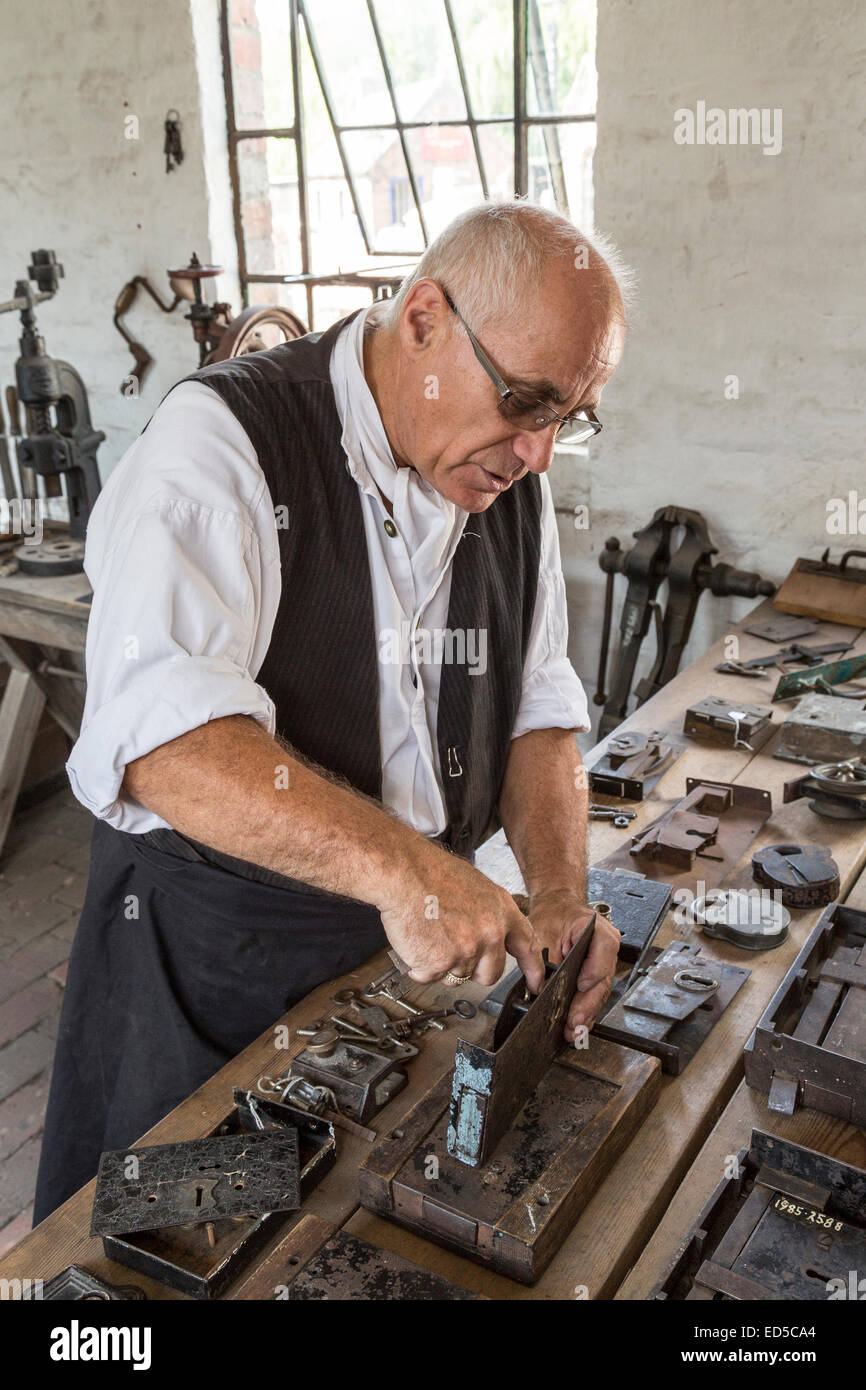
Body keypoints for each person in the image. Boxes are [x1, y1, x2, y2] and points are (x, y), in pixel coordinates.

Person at [33, 199, 628, 1221]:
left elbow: (538, 708)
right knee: (162, 1246)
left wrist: (561, 888)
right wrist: (403, 869)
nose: (536, 451)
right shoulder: (222, 444)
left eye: (567, 417)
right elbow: (165, 744)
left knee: (327, 1235)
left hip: (380, 971)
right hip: (205, 975)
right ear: (425, 320)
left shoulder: (510, 487)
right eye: (526, 400)